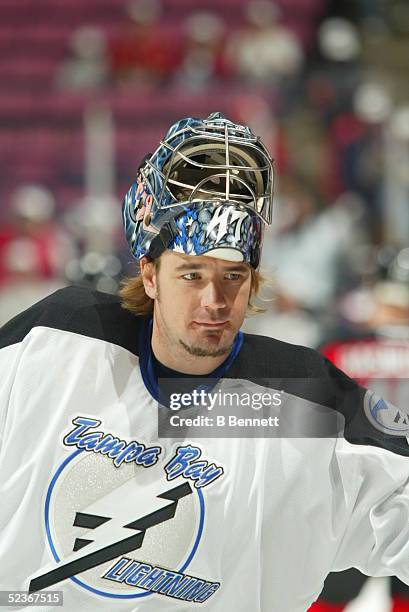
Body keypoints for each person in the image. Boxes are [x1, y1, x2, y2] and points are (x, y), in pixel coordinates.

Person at [0, 113, 409, 612]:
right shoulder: (55, 340)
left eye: (233, 276)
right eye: (191, 275)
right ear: (148, 274)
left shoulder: (302, 398)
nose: (215, 302)